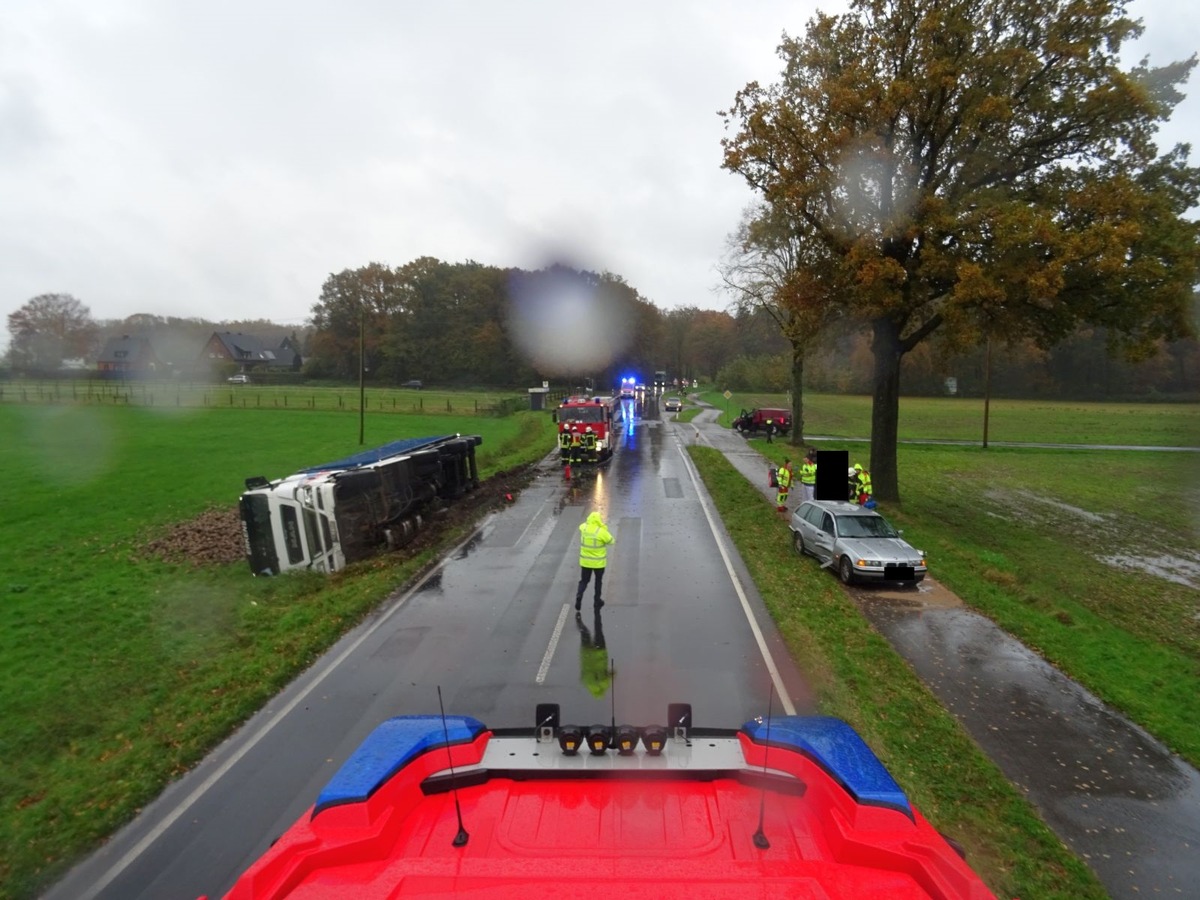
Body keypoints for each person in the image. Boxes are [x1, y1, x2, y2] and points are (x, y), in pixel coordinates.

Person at [575, 510, 614, 611]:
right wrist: (603, 527)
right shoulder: (601, 532)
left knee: (584, 581)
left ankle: (579, 594)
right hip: (598, 564)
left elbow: (581, 526)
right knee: (598, 581)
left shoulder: (584, 528)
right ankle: (597, 600)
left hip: (585, 562)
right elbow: (611, 541)